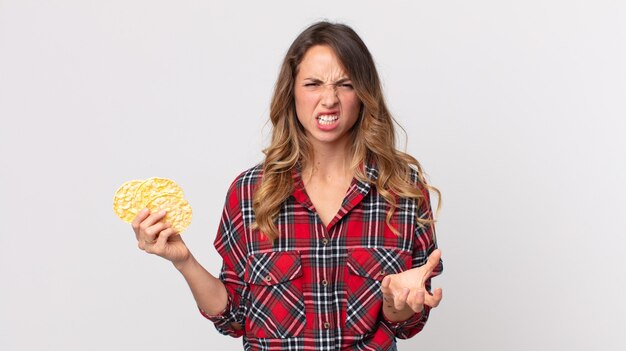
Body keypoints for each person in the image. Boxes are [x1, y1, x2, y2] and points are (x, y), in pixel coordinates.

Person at [131, 21, 443, 351]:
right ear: (291, 91)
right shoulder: (251, 192)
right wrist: (183, 260)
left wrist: (400, 304)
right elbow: (234, 316)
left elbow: (405, 325)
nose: (329, 99)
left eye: (345, 84)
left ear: (364, 94)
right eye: (313, 84)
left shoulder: (401, 190)